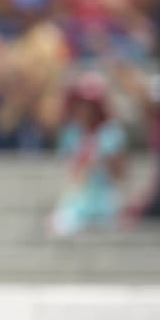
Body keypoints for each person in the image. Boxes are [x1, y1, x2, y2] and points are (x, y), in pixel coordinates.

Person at [49, 73, 128, 237]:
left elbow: (120, 174)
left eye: (88, 105)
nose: (83, 110)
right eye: (80, 104)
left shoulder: (111, 134)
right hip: (78, 197)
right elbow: (69, 173)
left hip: (104, 196)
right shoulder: (70, 134)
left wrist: (102, 158)